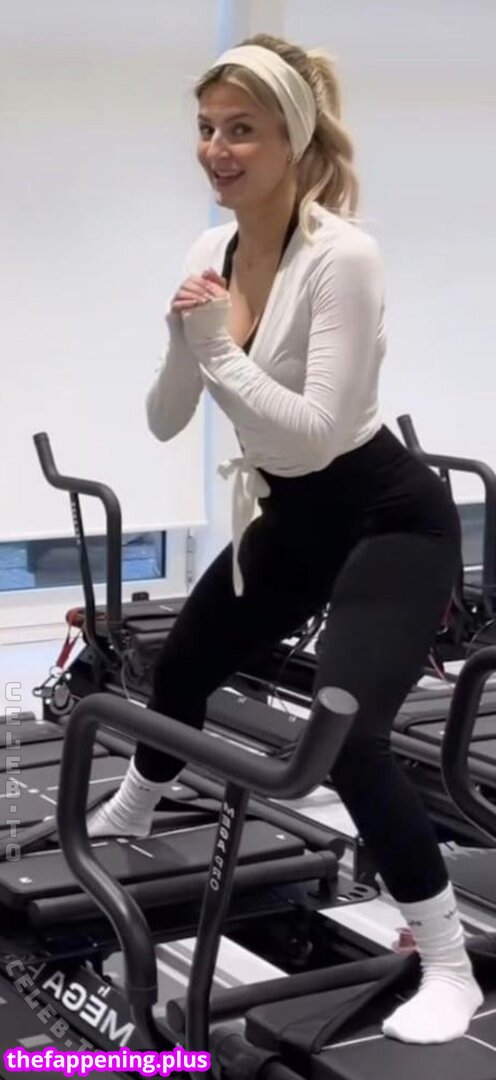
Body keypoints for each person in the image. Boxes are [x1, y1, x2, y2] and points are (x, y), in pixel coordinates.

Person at [88, 34, 482, 1044]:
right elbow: (166, 420)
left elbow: (312, 430)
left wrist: (216, 345)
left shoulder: (342, 257)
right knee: (181, 664)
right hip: (294, 515)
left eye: (242, 131)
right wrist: (185, 341)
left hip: (388, 518)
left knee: (348, 740)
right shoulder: (206, 253)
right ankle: (135, 804)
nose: (216, 150)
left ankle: (448, 965)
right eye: (206, 128)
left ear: (293, 141)